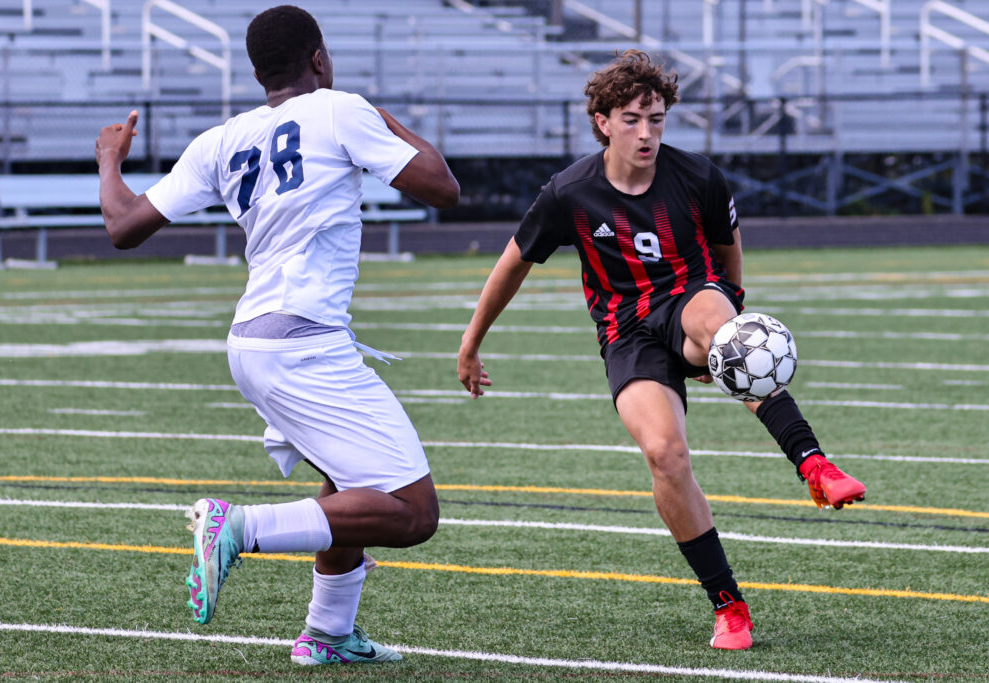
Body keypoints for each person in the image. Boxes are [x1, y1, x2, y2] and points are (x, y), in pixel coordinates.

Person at [456, 49, 866, 651]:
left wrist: (726, 326)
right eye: (631, 119)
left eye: (657, 119)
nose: (646, 132)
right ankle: (728, 605)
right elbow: (512, 264)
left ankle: (814, 464)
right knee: (665, 455)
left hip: (691, 297)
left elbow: (728, 255)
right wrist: (471, 345)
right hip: (626, 331)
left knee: (725, 327)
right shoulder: (569, 192)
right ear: (602, 121)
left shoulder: (697, 176)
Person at [96, 5, 459, 666]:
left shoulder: (222, 139)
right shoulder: (340, 108)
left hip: (254, 341)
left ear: (257, 70)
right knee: (412, 511)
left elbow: (123, 226)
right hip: (303, 343)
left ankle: (326, 631)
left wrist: (109, 159)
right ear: (318, 59)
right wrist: (370, 112)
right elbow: (442, 186)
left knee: (346, 484)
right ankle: (238, 526)